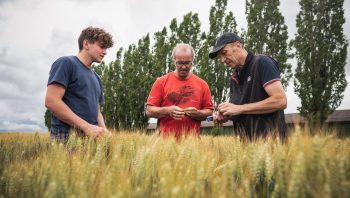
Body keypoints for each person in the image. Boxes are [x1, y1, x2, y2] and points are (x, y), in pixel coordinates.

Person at [209, 32, 287, 141]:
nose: (222, 60)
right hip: (246, 149)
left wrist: (239, 108)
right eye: (220, 57)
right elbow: (243, 111)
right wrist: (227, 114)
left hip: (271, 146)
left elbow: (280, 101)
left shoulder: (262, 63)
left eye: (224, 53)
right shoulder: (234, 78)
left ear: (238, 45)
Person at [45, 26, 114, 143]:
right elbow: (51, 101)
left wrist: (104, 129)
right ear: (86, 44)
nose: (105, 52)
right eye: (102, 47)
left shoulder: (97, 78)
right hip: (66, 140)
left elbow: (97, 110)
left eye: (106, 48)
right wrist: (86, 127)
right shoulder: (66, 63)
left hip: (90, 141)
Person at [146, 43, 214, 140]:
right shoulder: (161, 82)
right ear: (174, 61)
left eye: (187, 63)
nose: (183, 67)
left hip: (192, 144)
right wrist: (168, 111)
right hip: (165, 143)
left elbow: (209, 111)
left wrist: (198, 113)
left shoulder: (202, 85)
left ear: (192, 61)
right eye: (180, 63)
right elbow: (149, 111)